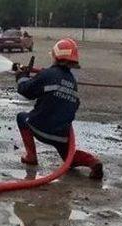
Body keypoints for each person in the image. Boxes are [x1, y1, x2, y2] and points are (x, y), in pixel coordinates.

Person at [15, 38, 103, 179]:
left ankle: (31, 157)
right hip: (61, 135)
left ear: (55, 55)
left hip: (40, 128)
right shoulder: (72, 81)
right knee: (69, 159)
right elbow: (75, 104)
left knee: (21, 117)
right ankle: (93, 162)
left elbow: (26, 90)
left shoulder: (47, 74)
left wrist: (21, 77)